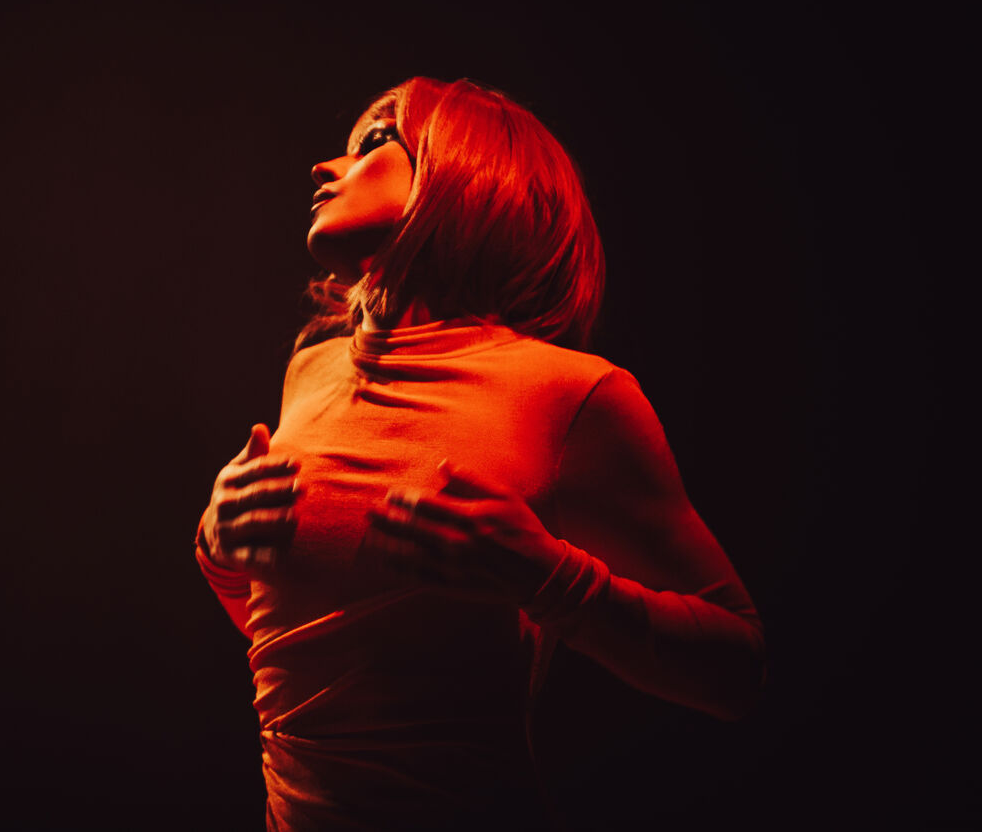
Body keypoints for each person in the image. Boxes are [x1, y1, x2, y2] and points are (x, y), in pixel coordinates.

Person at [195, 77, 765, 830]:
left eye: (374, 142)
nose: (324, 168)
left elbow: (737, 671)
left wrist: (545, 576)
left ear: (468, 172)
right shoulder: (311, 371)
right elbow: (325, 649)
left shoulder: (572, 394)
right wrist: (221, 552)